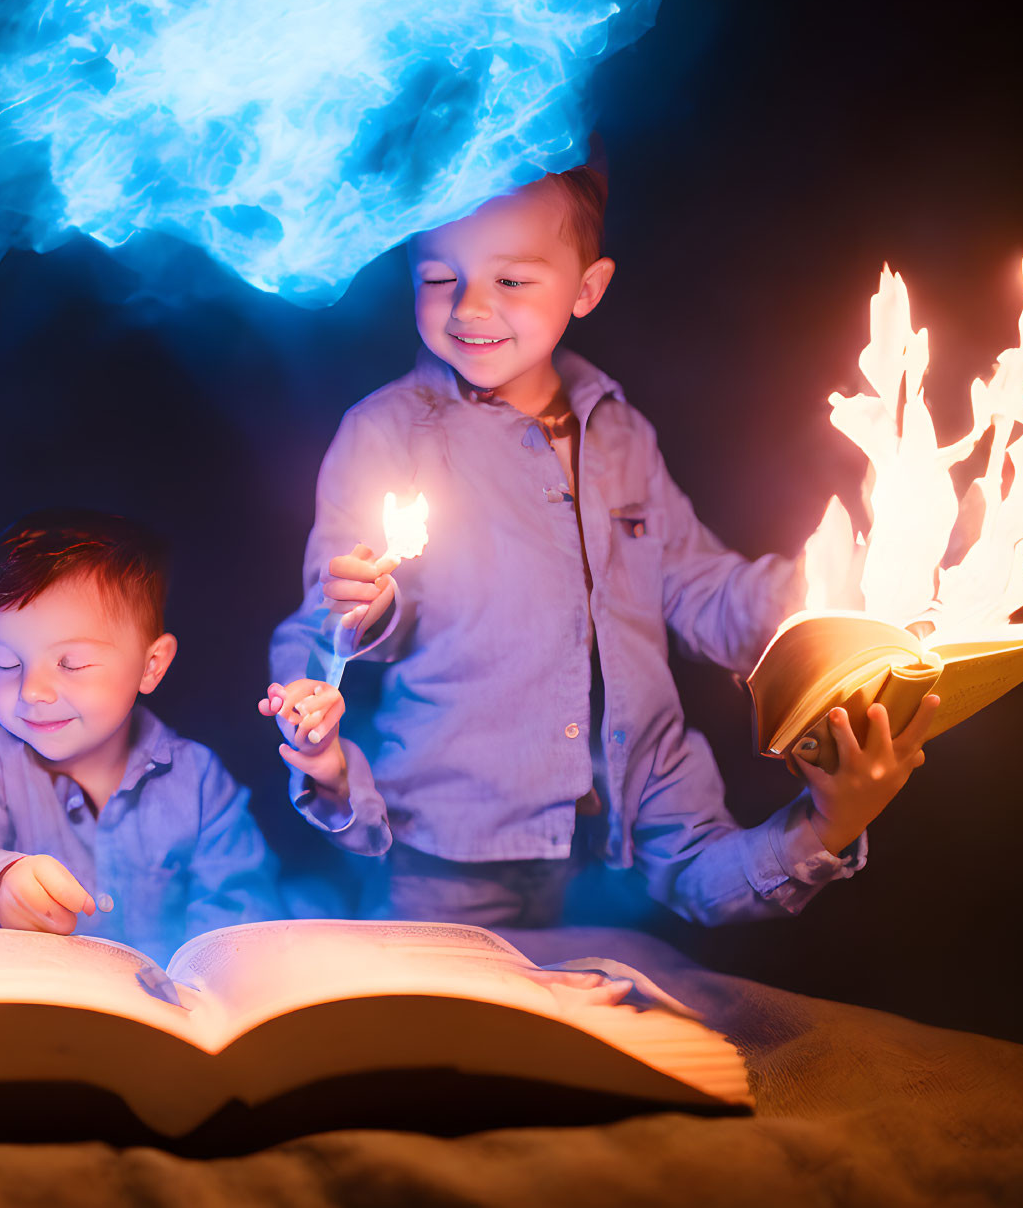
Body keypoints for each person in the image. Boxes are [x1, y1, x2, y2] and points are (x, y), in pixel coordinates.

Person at [264, 166, 937, 927]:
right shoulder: (384, 431)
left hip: (631, 823)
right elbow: (330, 626)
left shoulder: (620, 433)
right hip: (446, 849)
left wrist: (836, 590)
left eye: (511, 279)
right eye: (438, 276)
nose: (469, 305)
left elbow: (697, 590)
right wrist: (363, 614)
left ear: (585, 289)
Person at [0, 509, 281, 963]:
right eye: (5, 663)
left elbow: (244, 919)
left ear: (151, 665)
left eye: (70, 664)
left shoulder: (197, 781)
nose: (32, 691)